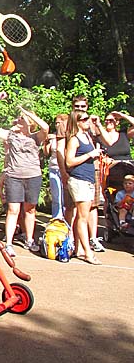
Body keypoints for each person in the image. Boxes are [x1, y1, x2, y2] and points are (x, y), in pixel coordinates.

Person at [0, 104, 49, 256]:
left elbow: (45, 127)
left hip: (33, 176)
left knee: (30, 209)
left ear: (29, 123)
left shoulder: (35, 137)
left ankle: (29, 240)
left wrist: (28, 114)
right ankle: (9, 243)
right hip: (14, 176)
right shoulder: (10, 136)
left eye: (21, 119)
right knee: (13, 210)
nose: (18, 120)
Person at [64, 110, 103, 265]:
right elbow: (69, 162)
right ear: (77, 122)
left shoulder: (87, 136)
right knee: (83, 217)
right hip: (79, 180)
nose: (88, 121)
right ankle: (88, 252)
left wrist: (95, 122)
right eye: (85, 119)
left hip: (88, 179)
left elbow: (98, 132)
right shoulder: (74, 139)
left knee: (81, 216)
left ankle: (78, 248)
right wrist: (89, 155)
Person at [43, 114, 70, 219]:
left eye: (60, 122)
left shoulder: (70, 136)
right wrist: (46, 141)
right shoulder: (53, 136)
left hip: (67, 169)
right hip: (54, 168)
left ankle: (67, 219)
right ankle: (57, 219)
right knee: (56, 197)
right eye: (56, 123)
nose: (57, 125)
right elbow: (46, 153)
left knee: (66, 197)